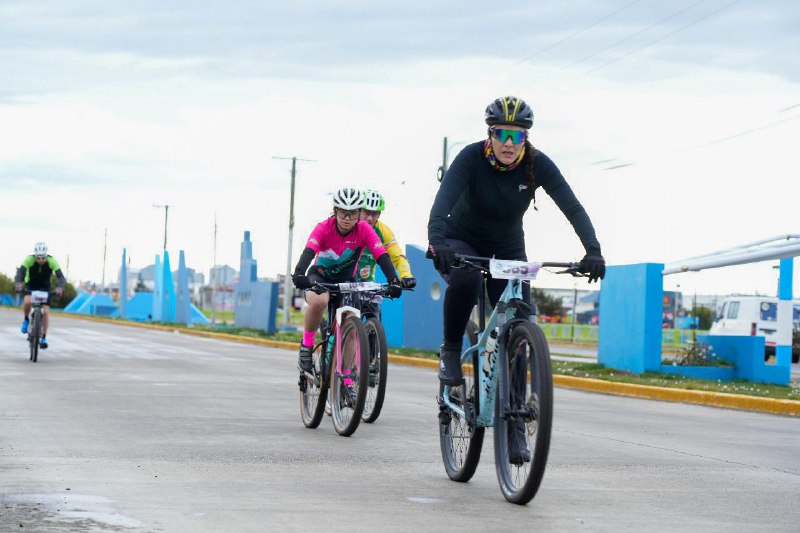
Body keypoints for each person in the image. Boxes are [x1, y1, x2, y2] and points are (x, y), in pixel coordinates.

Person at [427, 96, 606, 462]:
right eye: (502, 134)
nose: (509, 142)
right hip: (463, 241)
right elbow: (443, 201)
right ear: (490, 134)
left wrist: (593, 250)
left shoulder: (537, 164)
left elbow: (572, 206)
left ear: (526, 138)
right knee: (466, 282)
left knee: (521, 322)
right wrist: (437, 241)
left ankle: (516, 426)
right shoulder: (470, 158)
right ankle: (449, 351)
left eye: (518, 135)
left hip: (508, 247)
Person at [292, 187, 403, 386]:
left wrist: (394, 280)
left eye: (352, 214)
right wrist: (300, 273)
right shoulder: (323, 227)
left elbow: (382, 255)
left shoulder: (364, 230)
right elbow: (309, 251)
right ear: (335, 210)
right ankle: (306, 345)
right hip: (321, 277)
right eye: (343, 212)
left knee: (353, 323)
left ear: (358, 213)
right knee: (319, 301)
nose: (347, 218)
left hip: (347, 281)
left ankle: (347, 381)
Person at [356, 190, 417, 299]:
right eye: (366, 212)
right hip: (343, 281)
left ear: (379, 215)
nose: (370, 218)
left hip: (367, 283)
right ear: (359, 211)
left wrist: (406, 275)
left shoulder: (384, 232)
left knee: (373, 314)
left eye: (374, 213)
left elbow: (398, 257)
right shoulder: (349, 227)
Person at [15, 242, 66, 349]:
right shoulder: (29, 259)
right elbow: (21, 272)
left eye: (43, 258)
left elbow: (61, 277)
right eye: (38, 258)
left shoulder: (52, 260)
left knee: (46, 313)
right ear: (35, 256)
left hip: (45, 287)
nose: (41, 260)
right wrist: (18, 283)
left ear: (46, 255)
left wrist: (60, 287)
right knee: (27, 301)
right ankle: (26, 319)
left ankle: (43, 337)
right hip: (31, 285)